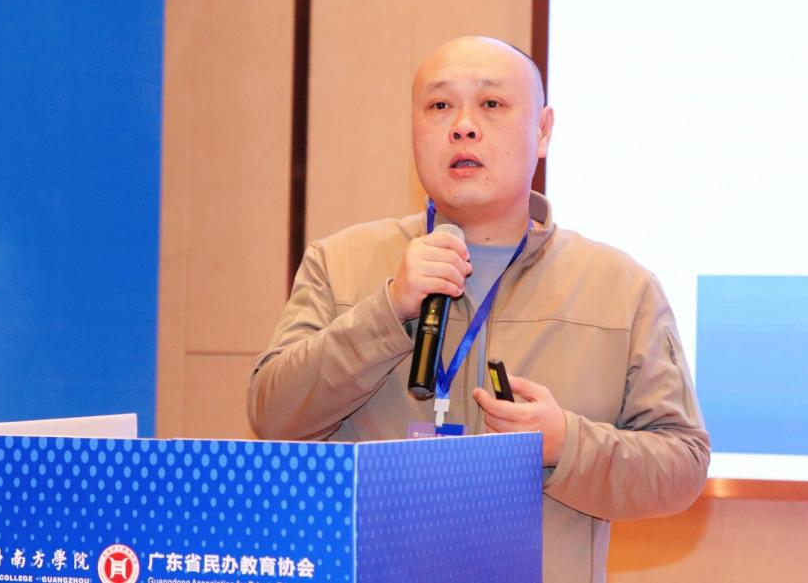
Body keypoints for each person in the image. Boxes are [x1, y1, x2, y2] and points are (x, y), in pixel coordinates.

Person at [248, 36, 710, 582]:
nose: (463, 126)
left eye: (492, 104)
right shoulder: (340, 262)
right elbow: (273, 416)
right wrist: (386, 310)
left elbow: (682, 465)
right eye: (439, 105)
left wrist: (565, 444)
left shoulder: (621, 288)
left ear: (542, 131)